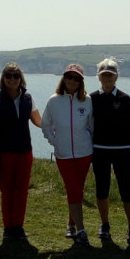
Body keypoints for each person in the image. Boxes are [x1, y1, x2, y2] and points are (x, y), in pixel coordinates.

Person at [40, 63, 94, 246]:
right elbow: (45, 123)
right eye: (69, 77)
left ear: (81, 82)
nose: (72, 81)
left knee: (77, 189)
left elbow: (92, 125)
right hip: (63, 154)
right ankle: (81, 230)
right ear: (63, 79)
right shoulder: (53, 101)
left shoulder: (87, 101)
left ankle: (71, 224)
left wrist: (91, 142)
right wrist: (54, 141)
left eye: (76, 78)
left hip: (84, 153)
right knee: (73, 189)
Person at [90, 58, 130, 244]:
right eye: (104, 75)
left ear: (116, 76)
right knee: (101, 191)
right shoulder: (92, 98)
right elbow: (88, 126)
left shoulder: (124, 99)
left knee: (126, 191)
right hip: (99, 151)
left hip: (122, 151)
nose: (107, 78)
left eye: (110, 75)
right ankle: (105, 225)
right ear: (99, 77)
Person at [0, 62, 42, 241]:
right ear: (3, 79)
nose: (12, 79)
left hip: (24, 151)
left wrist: (58, 129)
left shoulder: (28, 98)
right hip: (3, 151)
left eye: (16, 76)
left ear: (21, 78)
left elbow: (38, 120)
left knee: (21, 190)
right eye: (8, 76)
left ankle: (18, 226)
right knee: (7, 190)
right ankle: (8, 227)